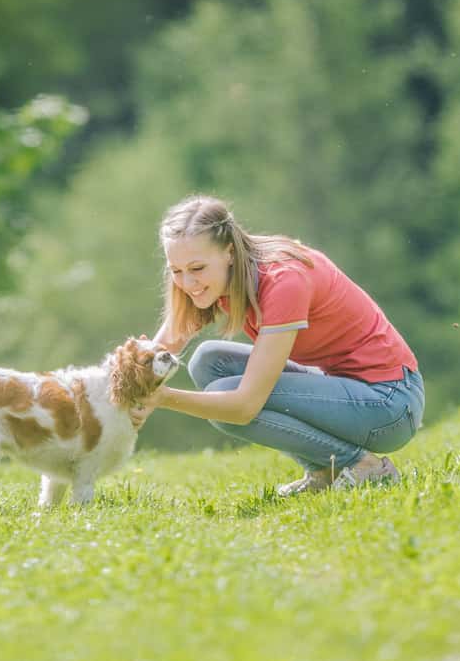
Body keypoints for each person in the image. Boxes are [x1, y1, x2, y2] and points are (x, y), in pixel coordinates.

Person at [141, 195, 425, 494]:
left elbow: (244, 406)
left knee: (224, 400)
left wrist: (162, 398)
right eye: (176, 271)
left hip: (389, 404)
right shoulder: (231, 270)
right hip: (347, 388)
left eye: (197, 269)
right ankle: (323, 471)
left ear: (228, 252)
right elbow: (164, 347)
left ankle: (363, 466)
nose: (187, 283)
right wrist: (124, 382)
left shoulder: (283, 280)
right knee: (208, 361)